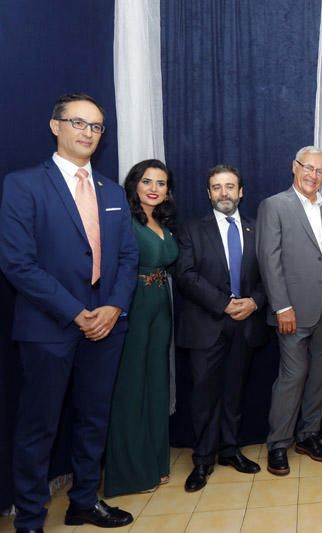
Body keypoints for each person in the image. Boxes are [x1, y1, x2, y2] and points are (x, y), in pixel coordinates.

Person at [0, 93, 138, 530]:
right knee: (39, 426)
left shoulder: (112, 191)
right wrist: (78, 312)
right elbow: (17, 263)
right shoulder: (23, 184)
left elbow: (129, 257)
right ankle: (30, 519)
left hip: (107, 326)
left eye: (96, 126)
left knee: (94, 418)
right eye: (78, 122)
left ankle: (83, 501)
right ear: (55, 125)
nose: (88, 132)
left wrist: (113, 306)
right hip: (49, 327)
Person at [175, 165, 268, 492]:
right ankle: (203, 460)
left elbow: (269, 277)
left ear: (241, 192)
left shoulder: (258, 229)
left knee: (234, 393)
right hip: (206, 325)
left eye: (230, 187)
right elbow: (185, 275)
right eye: (217, 187)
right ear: (209, 193)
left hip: (245, 325)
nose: (224, 193)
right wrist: (224, 304)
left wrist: (254, 302)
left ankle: (230, 450)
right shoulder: (190, 229)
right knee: (203, 395)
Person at [257, 146, 322, 476]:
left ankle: (308, 436)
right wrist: (282, 306)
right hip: (291, 310)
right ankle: (278, 444)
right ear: (294, 167)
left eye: (320, 171)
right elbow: (269, 260)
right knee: (292, 376)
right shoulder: (275, 205)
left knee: (321, 374)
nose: (313, 175)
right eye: (308, 168)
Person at [104, 160, 178, 496]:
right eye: (147, 181)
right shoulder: (123, 220)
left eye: (161, 183)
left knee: (156, 385)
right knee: (131, 388)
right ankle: (129, 473)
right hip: (132, 306)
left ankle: (156, 463)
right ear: (134, 184)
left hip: (161, 306)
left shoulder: (162, 221)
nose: (154, 188)